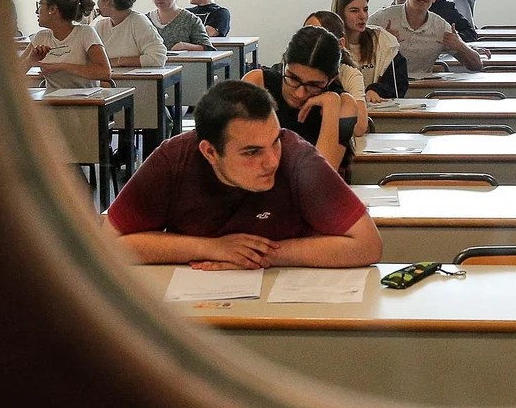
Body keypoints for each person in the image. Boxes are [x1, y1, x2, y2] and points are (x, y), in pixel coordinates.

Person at [106, 80, 382, 269]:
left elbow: (368, 245)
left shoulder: (298, 157)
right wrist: (210, 248)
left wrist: (258, 255)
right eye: (252, 153)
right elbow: (105, 244)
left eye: (275, 140)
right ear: (210, 152)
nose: (272, 161)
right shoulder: (172, 160)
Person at [242, 25, 367, 177]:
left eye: (314, 85)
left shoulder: (344, 104)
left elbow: (320, 178)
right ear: (284, 64)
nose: (300, 93)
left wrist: (331, 106)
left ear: (331, 79)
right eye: (293, 78)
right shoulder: (257, 84)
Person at [371, 0, 484, 77]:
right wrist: (379, 42)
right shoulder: (383, 18)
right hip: (382, 90)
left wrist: (459, 46)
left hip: (424, 91)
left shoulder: (441, 27)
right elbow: (354, 52)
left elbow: (477, 65)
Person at [21, 0, 111, 89]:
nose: (37, 11)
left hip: (86, 102)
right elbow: (12, 75)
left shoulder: (85, 33)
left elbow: (104, 72)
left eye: (41, 5)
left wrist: (63, 66)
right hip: (54, 102)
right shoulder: (41, 37)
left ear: (53, 9)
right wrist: (30, 60)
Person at [332, 0, 403, 101]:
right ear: (340, 14)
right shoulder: (330, 44)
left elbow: (398, 82)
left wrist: (376, 90)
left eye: (365, 10)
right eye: (354, 11)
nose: (363, 16)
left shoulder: (382, 40)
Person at [92, 0, 166, 68]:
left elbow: (158, 58)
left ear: (107, 0)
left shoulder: (138, 22)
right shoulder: (100, 26)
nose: (97, 2)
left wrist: (117, 61)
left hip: (135, 82)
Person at [305, 11, 368, 100]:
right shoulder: (290, 68)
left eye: (318, 36)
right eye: (306, 34)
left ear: (340, 44)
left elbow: (360, 113)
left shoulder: (350, 75)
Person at [146, 0, 212, 52]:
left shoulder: (190, 20)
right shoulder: (145, 20)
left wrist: (185, 46)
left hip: (184, 63)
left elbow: (207, 48)